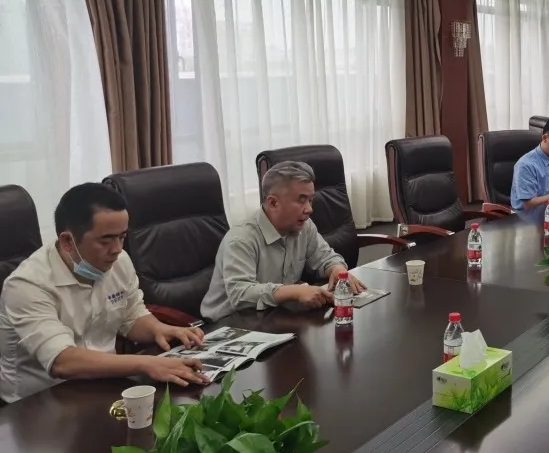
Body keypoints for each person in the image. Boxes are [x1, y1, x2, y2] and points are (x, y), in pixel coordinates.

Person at [0, 183, 208, 403]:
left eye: (122, 237)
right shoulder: (26, 285)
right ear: (68, 241)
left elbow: (130, 315)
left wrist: (158, 329)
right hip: (39, 402)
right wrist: (147, 363)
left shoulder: (118, 261)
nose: (117, 249)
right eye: (106, 240)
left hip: (105, 384)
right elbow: (62, 361)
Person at [201, 161, 365, 322]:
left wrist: (336, 269)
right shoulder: (241, 239)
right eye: (301, 200)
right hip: (227, 324)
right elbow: (241, 294)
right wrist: (295, 292)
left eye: (310, 200)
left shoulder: (304, 226)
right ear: (273, 203)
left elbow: (325, 257)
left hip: (272, 316)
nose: (309, 209)